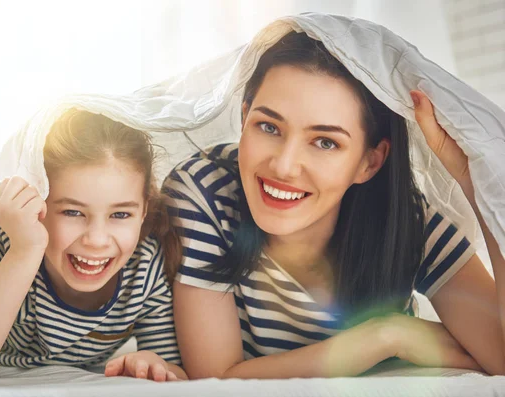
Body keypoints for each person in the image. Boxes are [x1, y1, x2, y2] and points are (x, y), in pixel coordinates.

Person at [163, 31, 505, 378]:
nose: (284, 166)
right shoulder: (203, 191)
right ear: (244, 115)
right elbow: (216, 377)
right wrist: (383, 337)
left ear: (369, 163)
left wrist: (475, 184)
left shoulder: (406, 221)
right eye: (268, 126)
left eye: (325, 143)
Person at [0, 110, 187, 381]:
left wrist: (152, 362)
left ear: (144, 211)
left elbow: (175, 370)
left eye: (120, 215)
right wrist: (24, 252)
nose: (97, 240)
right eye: (72, 212)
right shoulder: (2, 248)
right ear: (39, 204)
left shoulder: (144, 268)